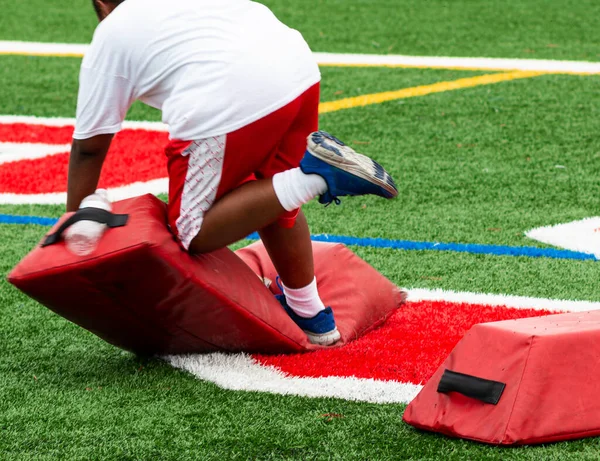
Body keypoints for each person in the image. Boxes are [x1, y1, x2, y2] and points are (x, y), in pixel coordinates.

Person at [67, 0, 398, 346]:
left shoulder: (113, 31)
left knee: (191, 230)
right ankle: (311, 315)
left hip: (228, 88)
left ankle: (315, 175)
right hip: (296, 66)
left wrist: (72, 219)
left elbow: (89, 147)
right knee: (273, 198)